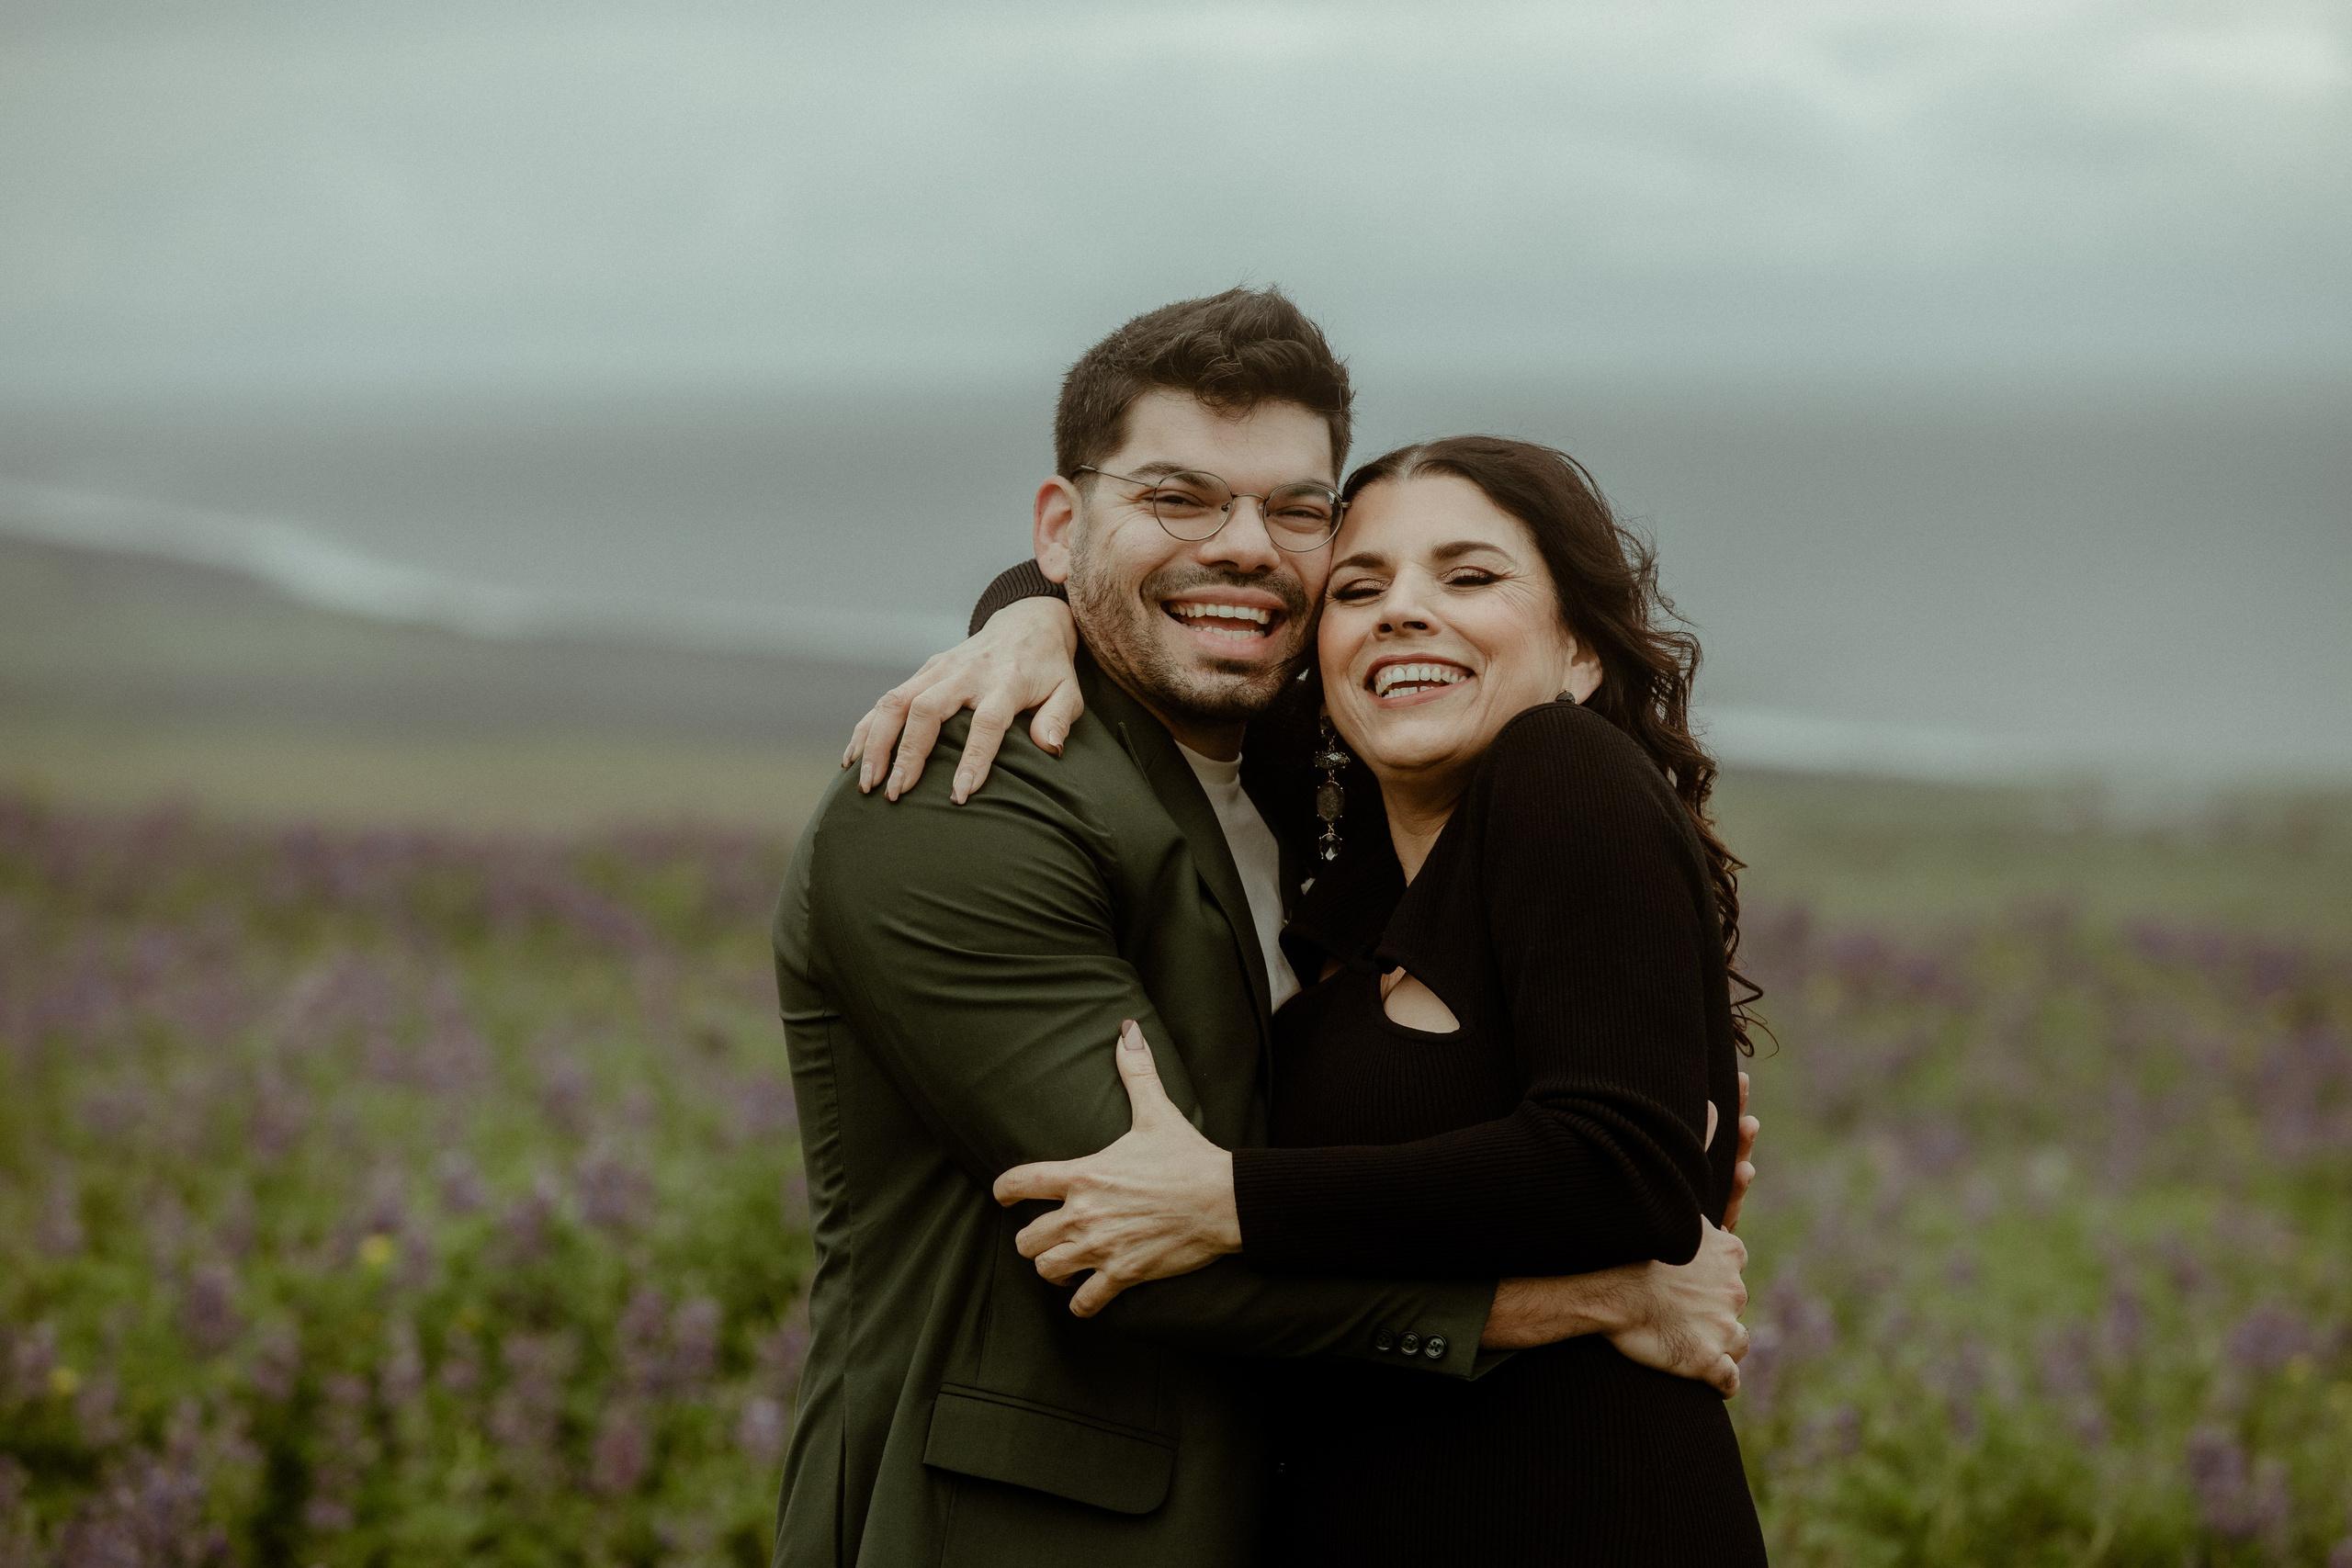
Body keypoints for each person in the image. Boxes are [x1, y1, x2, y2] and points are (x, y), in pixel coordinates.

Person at [772, 288, 1757, 1568]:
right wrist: (1573, 1298)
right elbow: (1136, 1232)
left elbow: (1582, 1137)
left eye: (1296, 512)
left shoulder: (1353, 796)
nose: (1245, 548)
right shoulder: (964, 800)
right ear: (1063, 525)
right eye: (1180, 497)